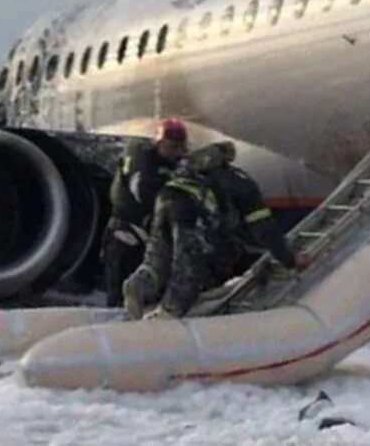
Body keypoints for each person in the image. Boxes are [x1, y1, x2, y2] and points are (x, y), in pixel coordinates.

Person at [122, 141, 309, 320]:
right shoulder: (241, 184)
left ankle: (139, 284)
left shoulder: (195, 171)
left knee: (158, 258)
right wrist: (290, 260)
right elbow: (264, 229)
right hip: (190, 208)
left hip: (165, 198)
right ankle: (169, 315)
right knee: (189, 266)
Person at [102, 117, 188, 307]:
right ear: (159, 143)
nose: (178, 152)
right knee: (121, 292)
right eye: (172, 146)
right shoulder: (144, 163)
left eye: (181, 147)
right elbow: (142, 193)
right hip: (128, 232)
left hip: (148, 233)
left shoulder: (173, 165)